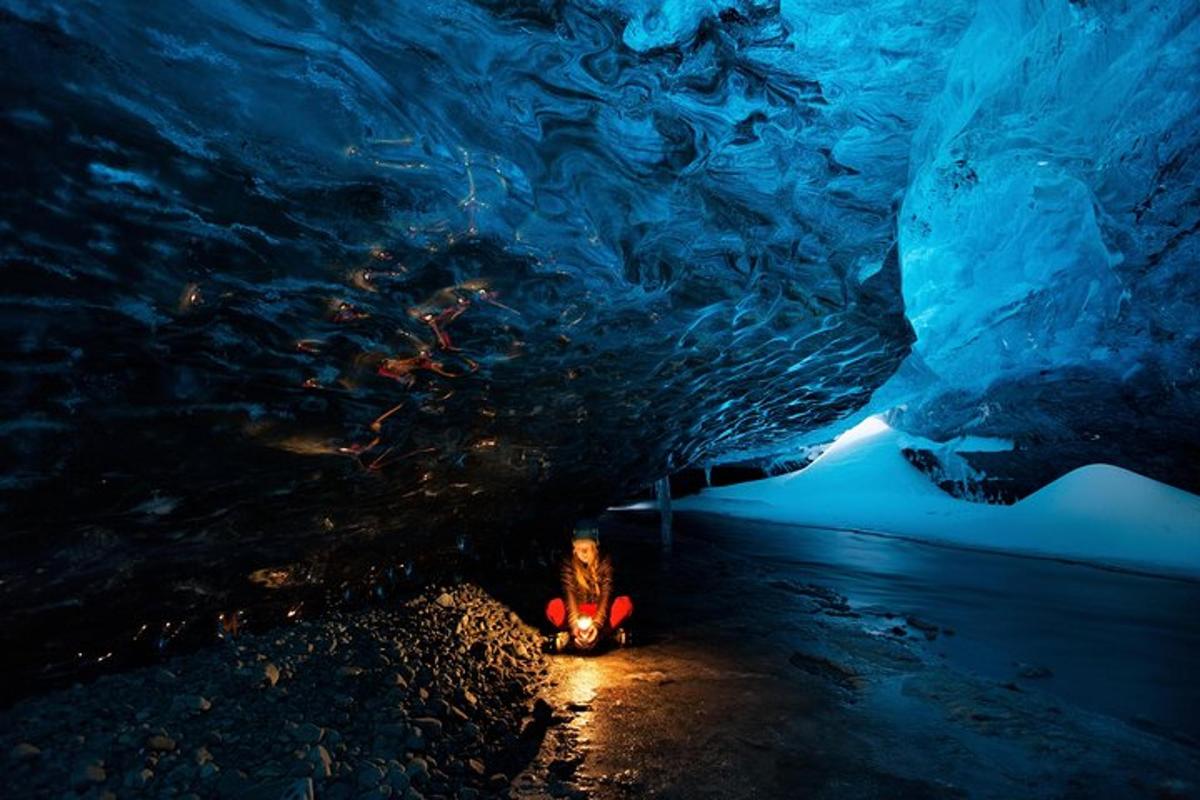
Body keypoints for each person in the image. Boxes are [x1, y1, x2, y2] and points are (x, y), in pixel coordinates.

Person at [545, 519, 633, 652]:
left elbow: (606, 593)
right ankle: (603, 636)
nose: (583, 553)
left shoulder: (605, 562)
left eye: (588, 548)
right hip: (576, 611)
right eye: (579, 548)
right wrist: (575, 625)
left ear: (596, 546)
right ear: (574, 548)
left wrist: (597, 625)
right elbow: (569, 593)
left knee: (624, 604)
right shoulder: (568, 563)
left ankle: (595, 636)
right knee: (554, 607)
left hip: (600, 612)